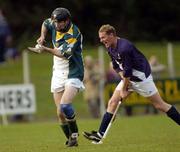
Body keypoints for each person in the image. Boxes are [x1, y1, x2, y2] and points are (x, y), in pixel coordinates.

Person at [83, 24, 180, 143]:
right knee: (112, 102)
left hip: (141, 79)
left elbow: (127, 71)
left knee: (160, 105)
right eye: (100, 38)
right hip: (128, 78)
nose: (101, 40)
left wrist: (124, 88)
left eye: (103, 37)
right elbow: (116, 66)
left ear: (112, 35)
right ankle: (100, 135)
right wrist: (123, 80)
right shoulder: (110, 46)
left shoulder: (125, 48)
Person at [34, 7, 84, 147]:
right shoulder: (54, 23)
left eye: (60, 23)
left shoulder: (73, 34)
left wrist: (45, 49)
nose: (57, 25)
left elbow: (63, 54)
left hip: (74, 71)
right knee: (60, 113)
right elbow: (45, 23)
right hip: (58, 72)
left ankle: (74, 134)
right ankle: (72, 140)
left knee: (65, 105)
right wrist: (43, 37)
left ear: (67, 21)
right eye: (55, 22)